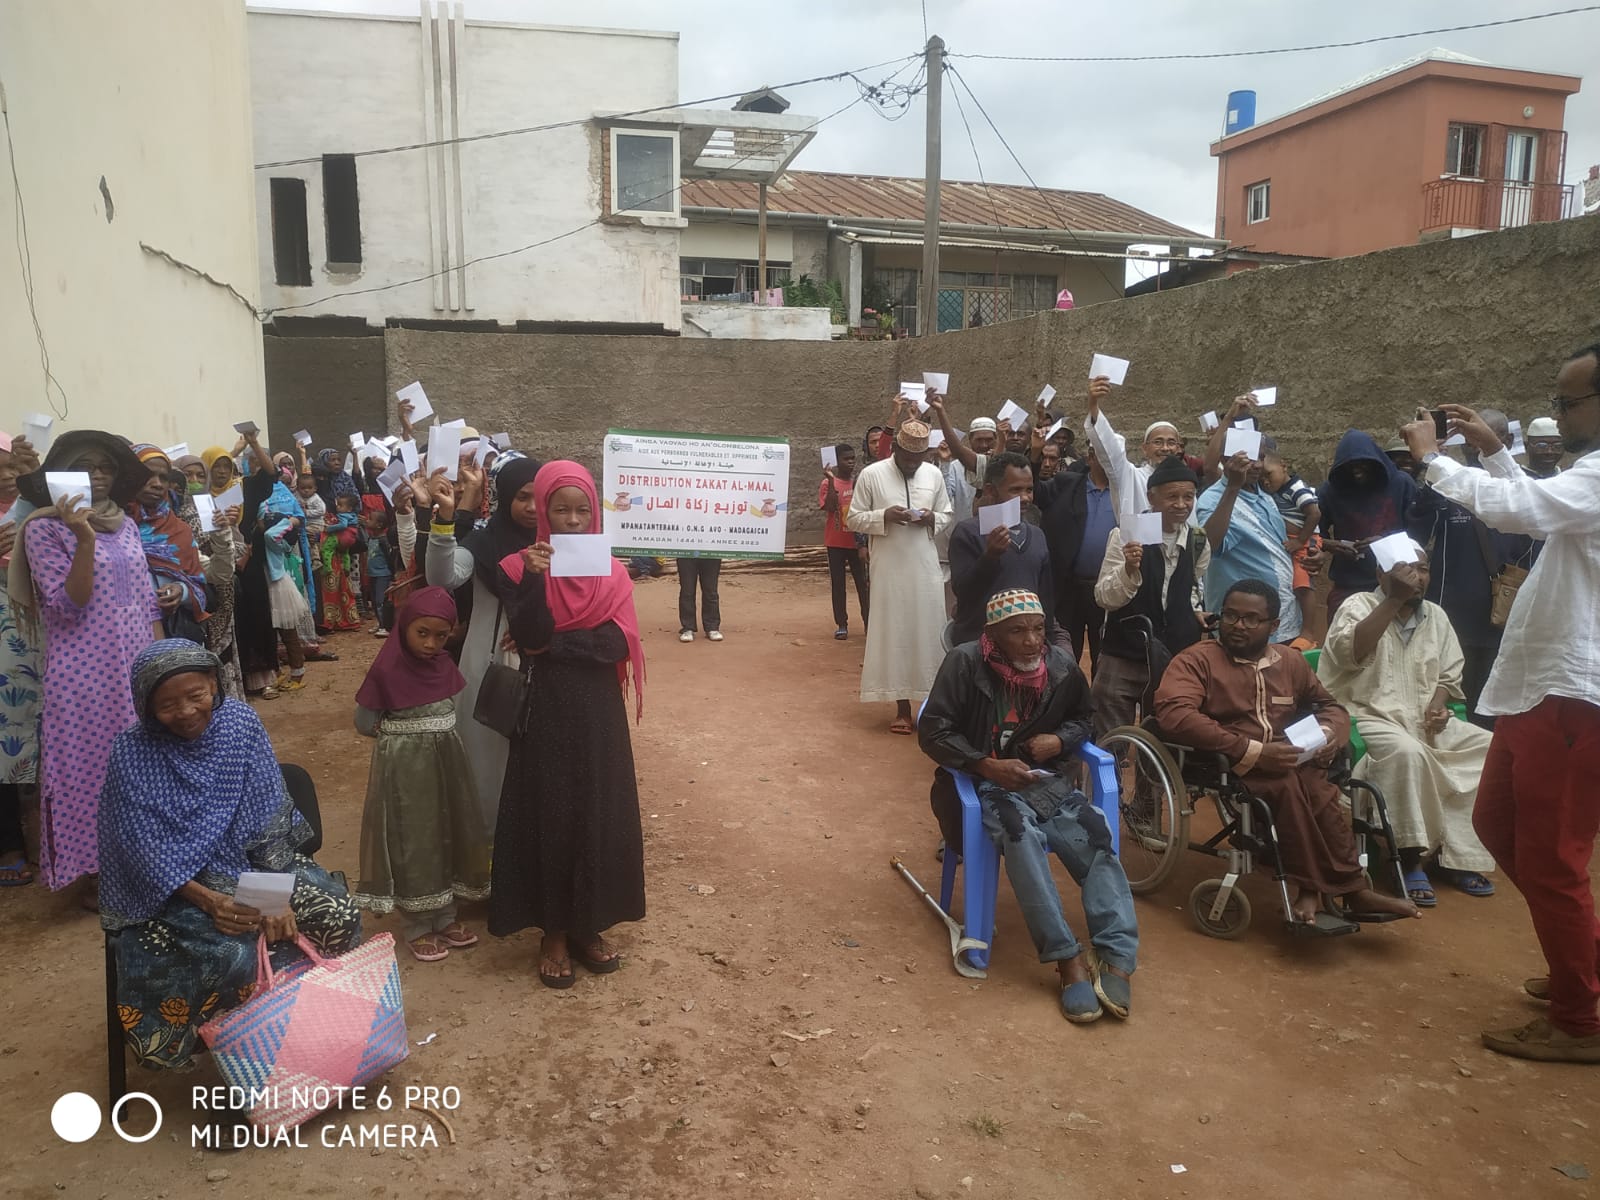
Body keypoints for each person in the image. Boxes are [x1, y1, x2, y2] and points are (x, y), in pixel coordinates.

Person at [1399, 350, 1600, 1063]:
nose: (1561, 414)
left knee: (1552, 860)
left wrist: (1434, 460)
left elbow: (1528, 510)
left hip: (1572, 698)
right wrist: (1492, 453)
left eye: (1569, 403)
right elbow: (1546, 513)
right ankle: (1584, 966)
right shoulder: (1587, 479)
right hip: (1539, 690)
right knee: (1496, 824)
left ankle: (1580, 1020)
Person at [98, 639, 361, 1071]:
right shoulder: (131, 752)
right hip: (173, 888)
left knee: (338, 914)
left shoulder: (239, 723)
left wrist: (270, 899)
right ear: (145, 706)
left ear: (214, 684)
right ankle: (244, 1062)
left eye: (195, 695)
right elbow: (142, 851)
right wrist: (210, 901)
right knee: (232, 956)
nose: (186, 712)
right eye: (167, 705)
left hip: (254, 865)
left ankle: (315, 1030)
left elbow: (264, 817)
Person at [918, 589, 1137, 1023]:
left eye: (1038, 629)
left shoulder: (1060, 666)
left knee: (1095, 833)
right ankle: (1066, 957)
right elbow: (934, 730)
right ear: (993, 634)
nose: (1032, 641)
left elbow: (1084, 718)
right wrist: (985, 764)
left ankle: (1116, 954)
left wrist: (1059, 740)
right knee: (1022, 839)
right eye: (1017, 631)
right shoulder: (964, 663)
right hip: (983, 786)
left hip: (1044, 782)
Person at [1154, 579, 1420, 926]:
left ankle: (1351, 889)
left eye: (1251, 619)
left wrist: (1328, 736)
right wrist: (1252, 750)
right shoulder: (1197, 660)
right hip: (1229, 759)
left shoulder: (1290, 662)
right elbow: (1175, 714)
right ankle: (1319, 888)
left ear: (1274, 625)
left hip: (1289, 757)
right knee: (1287, 786)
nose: (1238, 625)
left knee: (1320, 791)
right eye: (1230, 615)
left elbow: (1330, 707)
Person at [491, 461, 646, 989]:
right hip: (546, 710)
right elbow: (531, 636)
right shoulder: (517, 569)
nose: (574, 520)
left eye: (582, 510)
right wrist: (536, 581)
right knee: (550, 814)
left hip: (599, 713)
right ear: (544, 512)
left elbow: (616, 644)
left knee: (597, 812)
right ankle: (553, 932)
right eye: (561, 510)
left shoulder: (614, 573)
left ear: (594, 511)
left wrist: (553, 644)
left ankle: (588, 925)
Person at [9, 431, 161, 900]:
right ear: (61, 475)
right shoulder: (43, 529)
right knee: (93, 771)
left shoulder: (128, 525)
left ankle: (147, 857)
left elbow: (146, 600)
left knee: (145, 763)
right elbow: (66, 605)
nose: (97, 475)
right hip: (84, 677)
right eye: (84, 467)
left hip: (135, 664)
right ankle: (99, 872)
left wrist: (164, 662)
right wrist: (84, 538)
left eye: (106, 467)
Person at [1316, 548, 1497, 905]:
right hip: (1367, 716)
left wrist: (1439, 705)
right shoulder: (1357, 605)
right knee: (1408, 753)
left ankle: (1455, 857)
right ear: (1381, 575)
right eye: (1405, 569)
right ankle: (1409, 857)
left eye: (1423, 569)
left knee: (1491, 748)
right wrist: (1393, 600)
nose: (1417, 577)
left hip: (1423, 720)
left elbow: (1448, 676)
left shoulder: (1436, 616)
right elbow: (1349, 655)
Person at [353, 586, 490, 962]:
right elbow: (364, 722)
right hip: (406, 773)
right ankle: (417, 924)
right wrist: (404, 738)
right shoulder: (386, 670)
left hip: (446, 767)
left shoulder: (444, 666)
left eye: (441, 636)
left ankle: (445, 916)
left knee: (447, 832)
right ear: (404, 627)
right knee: (413, 839)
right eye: (422, 633)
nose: (431, 644)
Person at [427, 452, 542, 836]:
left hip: (547, 662)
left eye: (540, 497)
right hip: (490, 662)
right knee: (487, 755)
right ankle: (488, 841)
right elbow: (443, 577)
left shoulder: (562, 542)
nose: (532, 507)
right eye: (523, 497)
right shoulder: (484, 541)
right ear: (506, 496)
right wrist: (445, 520)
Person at [1409, 410, 1533, 725]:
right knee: (1447, 694)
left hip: (1502, 614)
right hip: (1453, 614)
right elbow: (1417, 529)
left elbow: (1532, 551)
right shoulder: (1448, 485)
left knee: (1493, 700)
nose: (1472, 444)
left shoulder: (1523, 489)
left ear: (1506, 440)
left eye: (1481, 436)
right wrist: (1430, 471)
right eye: (1467, 437)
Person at [846, 420, 954, 735]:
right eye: (907, 458)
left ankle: (932, 707)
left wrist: (931, 518)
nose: (912, 464)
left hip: (925, 567)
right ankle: (902, 707)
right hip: (888, 569)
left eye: (917, 459)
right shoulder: (872, 474)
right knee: (895, 633)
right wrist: (885, 516)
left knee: (928, 631)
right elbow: (853, 518)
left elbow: (947, 514)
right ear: (895, 448)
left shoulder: (933, 474)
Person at [1091, 457, 1209, 738]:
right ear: (1151, 497)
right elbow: (1104, 597)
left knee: (1163, 736)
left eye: (1188, 497)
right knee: (1110, 736)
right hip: (1124, 652)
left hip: (1172, 657)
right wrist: (1129, 570)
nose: (1181, 504)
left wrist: (1195, 611)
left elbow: (1193, 586)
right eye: (1172, 497)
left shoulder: (1198, 540)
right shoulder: (1126, 534)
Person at [1196, 444, 1302, 645]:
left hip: (1282, 618)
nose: (1258, 465)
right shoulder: (1213, 499)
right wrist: (1233, 487)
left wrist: (1316, 549)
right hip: (1244, 627)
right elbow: (1208, 546)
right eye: (1249, 459)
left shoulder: (1265, 495)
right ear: (1226, 460)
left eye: (1261, 457)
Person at [947, 454, 1055, 646]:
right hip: (980, 645)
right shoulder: (968, 532)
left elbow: (1045, 599)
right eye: (1015, 490)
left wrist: (1049, 642)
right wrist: (989, 557)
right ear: (991, 491)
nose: (1025, 498)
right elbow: (963, 592)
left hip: (1028, 646)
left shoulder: (1037, 535)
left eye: (1029, 490)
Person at [1030, 432, 1115, 670]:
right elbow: (1034, 491)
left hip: (1108, 589)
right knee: (1064, 656)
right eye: (1103, 454)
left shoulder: (1127, 491)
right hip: (1068, 587)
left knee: (1105, 656)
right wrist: (1035, 454)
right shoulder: (1066, 483)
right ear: (1090, 457)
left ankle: (1097, 696)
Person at [1316, 431, 1419, 621]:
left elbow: (1419, 534)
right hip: (1348, 585)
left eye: (1363, 464)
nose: (1357, 471)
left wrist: (1385, 543)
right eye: (1350, 466)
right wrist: (1329, 544)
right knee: (1343, 636)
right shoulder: (1331, 490)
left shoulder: (1401, 484)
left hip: (1396, 584)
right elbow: (1312, 532)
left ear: (1376, 461)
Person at [0, 433, 42, 886]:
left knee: (47, 730)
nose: (7, 476)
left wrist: (35, 474)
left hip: (43, 635)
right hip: (4, 647)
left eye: (12, 466)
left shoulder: (31, 511)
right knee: (6, 736)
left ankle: (47, 836)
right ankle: (10, 841)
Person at [1083, 375, 1183, 528]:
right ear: (1145, 448)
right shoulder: (1131, 477)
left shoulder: (1184, 484)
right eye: (1158, 442)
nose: (1165, 448)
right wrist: (1093, 405)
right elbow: (1112, 452)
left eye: (1171, 443)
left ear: (1178, 448)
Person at [1261, 448, 1324, 635]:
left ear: (1284, 466)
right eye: (1261, 478)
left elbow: (1314, 514)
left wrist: (1300, 541)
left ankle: (1308, 630)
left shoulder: (1296, 489)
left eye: (1268, 474)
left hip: (1305, 542)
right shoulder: (1276, 491)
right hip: (1292, 542)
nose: (1265, 481)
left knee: (1302, 584)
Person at [820, 444, 868, 641]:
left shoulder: (860, 483)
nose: (850, 462)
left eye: (852, 458)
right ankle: (842, 624)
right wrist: (831, 480)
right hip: (835, 542)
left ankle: (868, 622)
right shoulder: (827, 483)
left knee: (863, 584)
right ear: (837, 461)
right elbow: (830, 507)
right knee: (838, 584)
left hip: (857, 543)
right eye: (846, 459)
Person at [675, 556, 723, 643]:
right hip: (686, 555)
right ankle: (688, 628)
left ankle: (712, 627)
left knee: (710, 591)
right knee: (687, 591)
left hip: (711, 555)